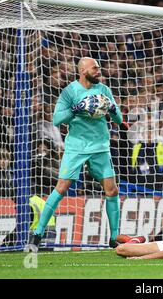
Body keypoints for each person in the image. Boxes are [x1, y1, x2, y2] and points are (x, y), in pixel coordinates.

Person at [25, 57, 123, 252]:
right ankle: (37, 234)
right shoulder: (70, 91)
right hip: (76, 148)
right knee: (61, 188)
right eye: (94, 68)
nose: (98, 70)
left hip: (100, 148)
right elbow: (57, 119)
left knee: (112, 191)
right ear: (82, 70)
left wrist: (112, 109)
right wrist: (76, 109)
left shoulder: (103, 90)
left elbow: (118, 119)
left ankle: (114, 238)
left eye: (98, 67)